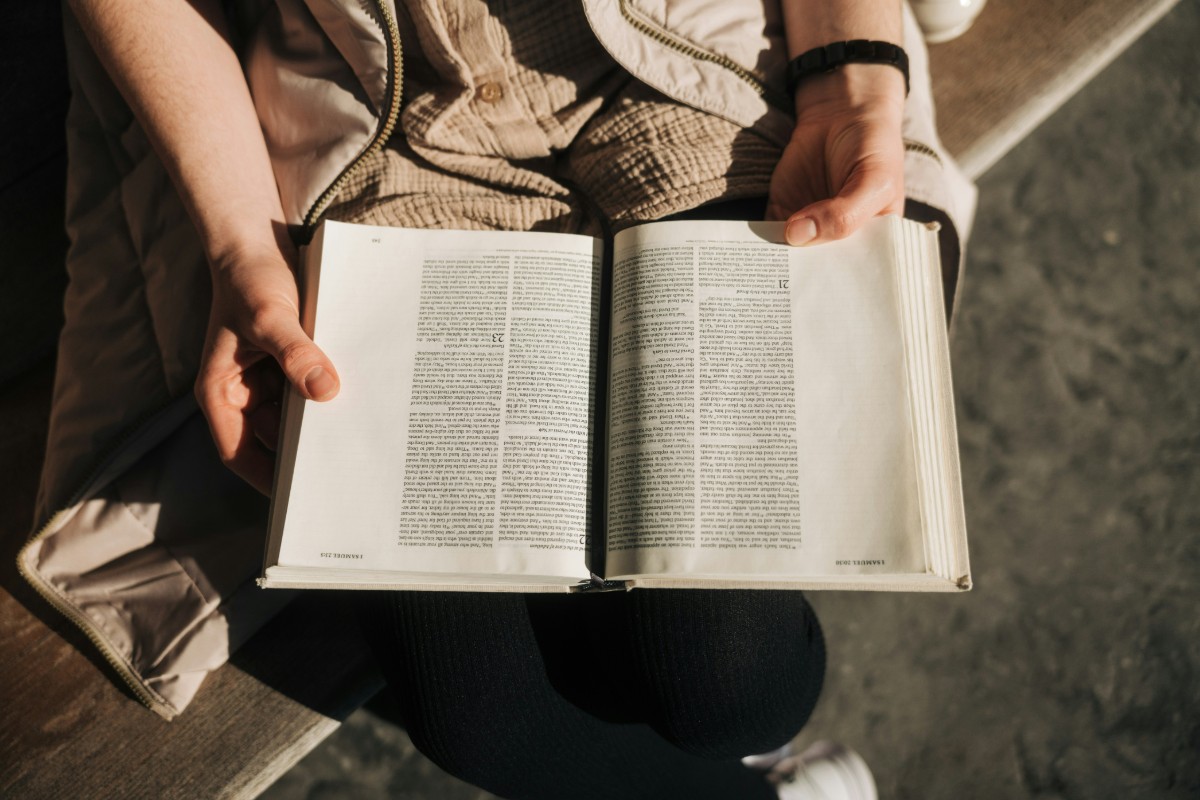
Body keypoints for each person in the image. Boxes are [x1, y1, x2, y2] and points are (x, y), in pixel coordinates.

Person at [24, 0, 974, 796]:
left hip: (689, 77)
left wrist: (852, 80)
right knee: (476, 712)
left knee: (730, 678)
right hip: (382, 137)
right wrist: (240, 247)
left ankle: (738, 743)